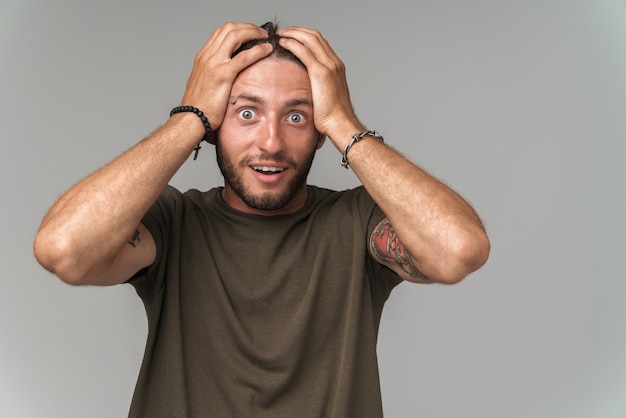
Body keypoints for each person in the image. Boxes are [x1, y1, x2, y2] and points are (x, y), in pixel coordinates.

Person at [33, 21, 490, 417]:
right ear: (214, 127)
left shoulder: (357, 221)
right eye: (246, 113)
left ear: (319, 134)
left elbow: (459, 251)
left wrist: (346, 125)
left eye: (297, 116)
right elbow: (63, 250)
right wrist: (189, 117)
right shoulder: (173, 222)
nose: (270, 142)